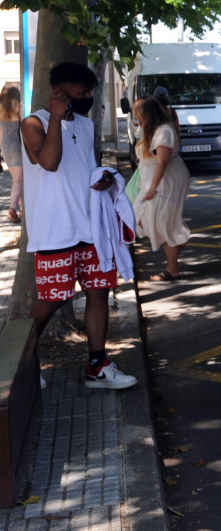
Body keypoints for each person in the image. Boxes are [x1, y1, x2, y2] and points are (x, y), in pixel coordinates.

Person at [21, 62, 137, 390]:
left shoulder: (86, 126)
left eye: (90, 92)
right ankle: (20, 365)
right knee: (52, 299)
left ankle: (97, 367)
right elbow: (49, 162)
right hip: (56, 230)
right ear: (59, 92)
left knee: (99, 292)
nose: (88, 97)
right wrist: (56, 116)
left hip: (90, 228)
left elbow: (83, 168)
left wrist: (101, 178)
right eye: (81, 92)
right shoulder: (33, 123)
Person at [131, 95, 192, 281]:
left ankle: (172, 269)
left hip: (165, 182)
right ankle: (178, 241)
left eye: (138, 115)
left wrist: (153, 188)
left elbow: (162, 162)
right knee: (144, 219)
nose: (136, 118)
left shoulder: (164, 132)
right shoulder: (152, 129)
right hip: (154, 181)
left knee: (163, 222)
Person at [0, 85, 24, 222]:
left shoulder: (1, 112)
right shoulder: (18, 111)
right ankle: (12, 208)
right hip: (17, 147)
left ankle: (22, 210)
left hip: (6, 148)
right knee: (19, 181)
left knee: (18, 180)